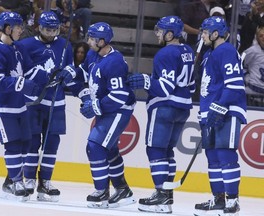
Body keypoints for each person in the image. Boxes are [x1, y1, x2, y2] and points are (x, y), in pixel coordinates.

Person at [62, 22, 136, 208]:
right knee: (108, 149)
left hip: (119, 109)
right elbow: (84, 72)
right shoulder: (93, 54)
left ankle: (102, 192)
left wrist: (95, 106)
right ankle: (122, 190)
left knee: (94, 146)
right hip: (107, 108)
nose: (88, 41)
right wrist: (70, 72)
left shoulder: (115, 62)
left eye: (92, 38)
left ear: (102, 41)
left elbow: (119, 96)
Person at [127, 16, 195, 213]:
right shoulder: (188, 51)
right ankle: (167, 195)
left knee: (155, 149)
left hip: (165, 106)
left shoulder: (164, 54)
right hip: (183, 108)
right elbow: (191, 87)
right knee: (167, 151)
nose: (157, 33)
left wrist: (146, 82)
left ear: (170, 33)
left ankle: (161, 195)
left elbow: (164, 88)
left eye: (160, 30)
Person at [19, 11, 88, 202]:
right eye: (47, 29)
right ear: (39, 27)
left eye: (54, 29)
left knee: (51, 145)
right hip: (34, 102)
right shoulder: (26, 45)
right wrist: (43, 76)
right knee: (32, 142)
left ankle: (45, 183)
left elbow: (69, 72)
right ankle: (29, 179)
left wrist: (75, 82)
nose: (50, 33)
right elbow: (23, 72)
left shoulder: (65, 45)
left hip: (56, 104)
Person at [0, 11, 41, 200]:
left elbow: (31, 71)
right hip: (0, 105)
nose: (21, 30)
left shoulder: (18, 48)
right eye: (18, 27)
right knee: (13, 143)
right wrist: (24, 84)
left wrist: (51, 76)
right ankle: (16, 181)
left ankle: (10, 181)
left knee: (26, 142)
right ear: (7, 28)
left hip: (18, 105)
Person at [194, 16, 247, 215]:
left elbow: (235, 85)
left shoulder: (226, 50)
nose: (203, 36)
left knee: (225, 155)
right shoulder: (210, 53)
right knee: (213, 157)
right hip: (211, 112)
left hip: (227, 111)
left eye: (206, 33)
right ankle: (218, 199)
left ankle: (232, 201)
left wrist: (220, 106)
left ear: (215, 34)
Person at [242, 26, 264, 105]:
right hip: (252, 94)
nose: (263, 38)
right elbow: (240, 65)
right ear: (257, 38)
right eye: (261, 36)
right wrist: (247, 78)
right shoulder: (252, 51)